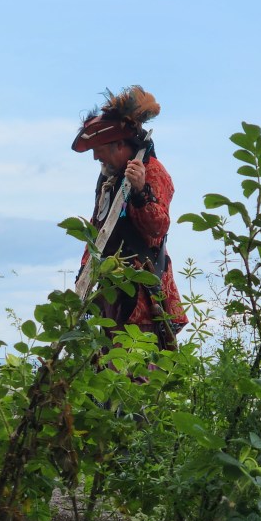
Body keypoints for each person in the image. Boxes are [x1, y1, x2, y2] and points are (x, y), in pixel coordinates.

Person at [72, 85, 187, 347]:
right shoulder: (108, 179)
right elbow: (97, 229)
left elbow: (158, 228)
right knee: (106, 359)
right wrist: (84, 271)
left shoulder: (153, 171)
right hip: (109, 292)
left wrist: (140, 192)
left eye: (99, 148)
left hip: (142, 295)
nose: (95, 156)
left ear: (120, 145)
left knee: (138, 361)